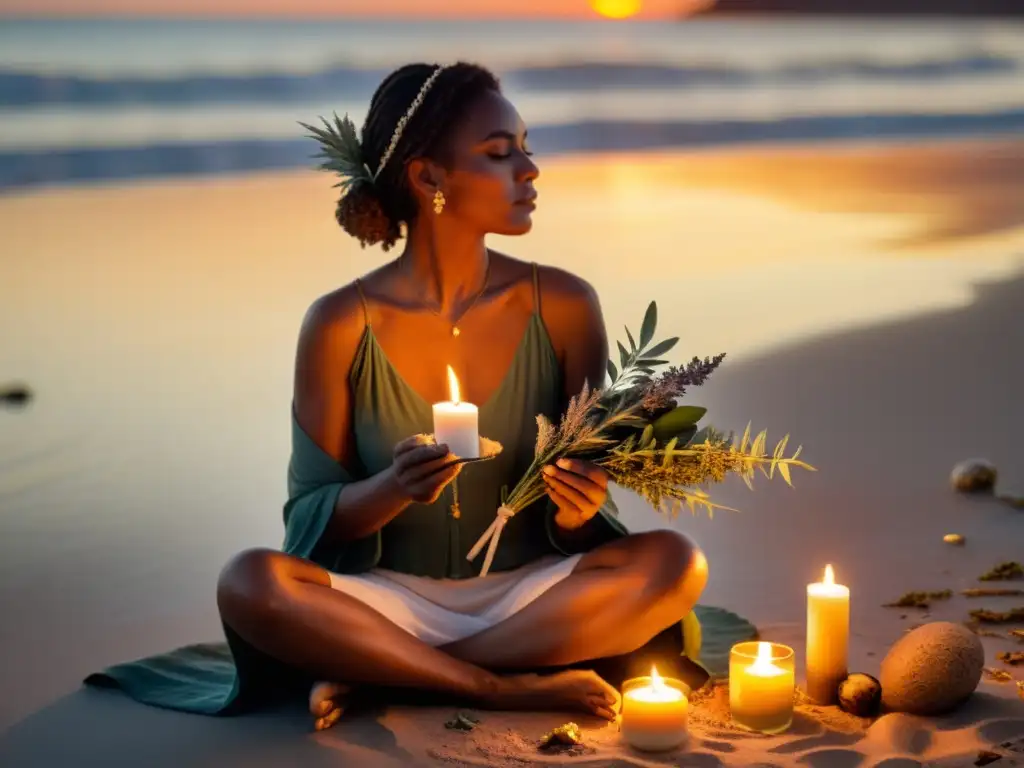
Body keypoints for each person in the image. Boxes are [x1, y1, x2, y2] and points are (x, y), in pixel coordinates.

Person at [85, 61, 711, 730]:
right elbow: (311, 520)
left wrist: (576, 509)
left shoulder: (562, 305)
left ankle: (385, 672)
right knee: (248, 581)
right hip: (383, 601)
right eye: (501, 153)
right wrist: (392, 487)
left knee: (676, 563)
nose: (529, 170)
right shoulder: (339, 323)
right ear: (428, 176)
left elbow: (587, 513)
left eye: (527, 148)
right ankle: (490, 685)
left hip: (530, 596)